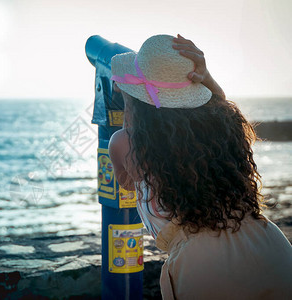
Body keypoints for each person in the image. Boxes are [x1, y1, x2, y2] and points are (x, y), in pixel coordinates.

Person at [108, 34, 292, 300]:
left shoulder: (125, 145)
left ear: (135, 100)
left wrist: (130, 107)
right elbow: (220, 105)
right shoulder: (225, 128)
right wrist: (207, 80)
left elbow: (126, 184)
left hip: (204, 267)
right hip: (270, 246)